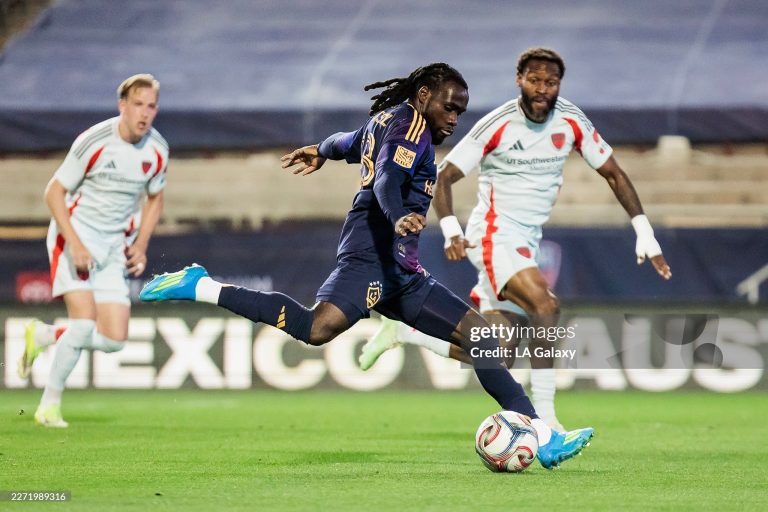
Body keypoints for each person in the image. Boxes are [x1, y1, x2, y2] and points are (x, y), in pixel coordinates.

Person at [140, 63, 593, 469]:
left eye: (460, 112)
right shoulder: (410, 130)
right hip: (372, 256)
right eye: (449, 108)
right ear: (423, 97)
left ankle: (544, 434)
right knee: (316, 329)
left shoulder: (387, 121)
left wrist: (319, 148)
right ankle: (201, 286)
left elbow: (347, 143)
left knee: (480, 339)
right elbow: (385, 181)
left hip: (404, 269)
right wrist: (399, 217)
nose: (453, 119)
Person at [358, 47, 672, 431]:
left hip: (527, 241)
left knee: (496, 351)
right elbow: (445, 175)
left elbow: (614, 173)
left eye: (551, 82)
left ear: (559, 85)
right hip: (493, 233)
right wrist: (452, 230)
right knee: (546, 306)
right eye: (534, 80)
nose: (542, 89)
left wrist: (644, 230)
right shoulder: (499, 124)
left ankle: (406, 333)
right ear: (519, 80)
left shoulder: (571, 121)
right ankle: (548, 422)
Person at [18, 74, 168, 427]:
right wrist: (76, 243)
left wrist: (141, 245)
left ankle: (43, 335)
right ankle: (48, 407)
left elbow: (156, 197)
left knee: (115, 340)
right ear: (122, 106)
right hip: (73, 235)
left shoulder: (158, 149)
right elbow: (54, 193)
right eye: (137, 104)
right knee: (84, 324)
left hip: (113, 245)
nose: (144, 113)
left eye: (151, 106)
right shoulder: (95, 141)